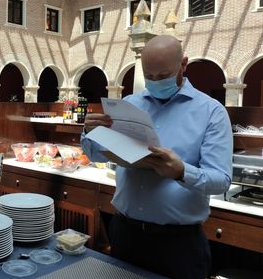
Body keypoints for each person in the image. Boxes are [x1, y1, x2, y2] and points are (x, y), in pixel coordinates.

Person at [81, 35, 233, 279]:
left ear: (183, 65)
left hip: (178, 244)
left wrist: (181, 171)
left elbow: (222, 180)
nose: (154, 82)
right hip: (125, 233)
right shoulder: (129, 104)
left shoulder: (211, 112)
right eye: (148, 76)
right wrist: (90, 134)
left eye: (162, 76)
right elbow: (94, 154)